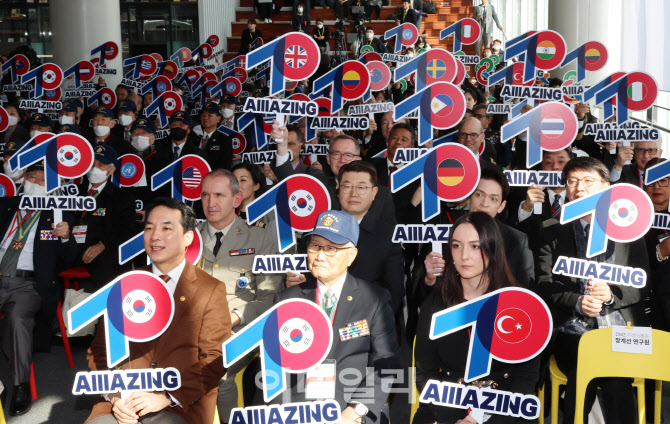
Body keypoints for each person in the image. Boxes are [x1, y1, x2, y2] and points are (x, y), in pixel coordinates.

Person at [85, 198, 232, 424]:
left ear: (188, 237)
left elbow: (215, 358)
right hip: (121, 403)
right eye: (149, 228)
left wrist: (166, 397)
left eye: (166, 228)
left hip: (178, 404)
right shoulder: (125, 284)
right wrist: (115, 396)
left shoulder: (210, 289)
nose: (155, 236)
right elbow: (99, 350)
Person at [535, 157, 648, 424]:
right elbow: (544, 285)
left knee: (611, 367)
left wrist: (610, 295)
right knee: (593, 360)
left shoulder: (630, 229)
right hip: (571, 330)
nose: (579, 188)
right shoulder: (551, 230)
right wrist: (578, 302)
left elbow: (641, 286)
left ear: (607, 187)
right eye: (572, 181)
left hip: (622, 329)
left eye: (588, 181)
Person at [274, 210, 399, 423]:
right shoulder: (287, 300)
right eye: (315, 246)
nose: (320, 255)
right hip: (298, 412)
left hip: (351, 408)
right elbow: (274, 368)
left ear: (351, 255)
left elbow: (385, 364)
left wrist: (355, 411)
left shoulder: (374, 299)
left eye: (331, 248)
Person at [414, 212, 539, 424]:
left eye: (475, 246)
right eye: (456, 246)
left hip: (505, 409)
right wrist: (455, 419)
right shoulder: (435, 304)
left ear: (492, 249)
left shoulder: (519, 303)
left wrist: (488, 421)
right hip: (447, 405)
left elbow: (527, 375)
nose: (464, 256)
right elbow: (425, 372)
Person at [197, 169, 281, 421]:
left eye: (219, 195)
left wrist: (232, 317)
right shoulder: (188, 238)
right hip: (192, 327)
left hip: (239, 328)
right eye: (205, 195)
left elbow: (270, 297)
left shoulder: (261, 236)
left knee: (217, 373)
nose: (211, 203)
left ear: (236, 200)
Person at [0, 161, 78, 415]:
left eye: (42, 181)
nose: (35, 183)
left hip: (28, 284)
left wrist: (66, 236)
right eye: (31, 178)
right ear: (23, 179)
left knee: (16, 319)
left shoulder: (57, 215)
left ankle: (19, 385)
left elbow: (70, 257)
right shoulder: (6, 204)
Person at [74, 144, 136, 289]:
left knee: (107, 267)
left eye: (101, 165)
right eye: (92, 164)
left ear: (111, 169)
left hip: (103, 253)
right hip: (72, 249)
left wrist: (103, 245)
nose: (94, 168)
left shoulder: (122, 197)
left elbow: (126, 229)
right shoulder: (74, 192)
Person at [508, 148, 573, 248]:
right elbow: (515, 235)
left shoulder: (580, 196)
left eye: (561, 162)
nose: (555, 167)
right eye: (548, 162)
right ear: (541, 167)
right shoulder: (525, 195)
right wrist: (526, 207)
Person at [643, 157, 670, 331]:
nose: (657, 186)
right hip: (648, 305)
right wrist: (660, 251)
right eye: (651, 181)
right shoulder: (632, 217)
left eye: (663, 180)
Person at [196, 101, 233, 171]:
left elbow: (225, 165)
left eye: (209, 115)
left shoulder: (224, 139)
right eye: (203, 115)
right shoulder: (194, 137)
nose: (205, 118)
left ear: (218, 119)